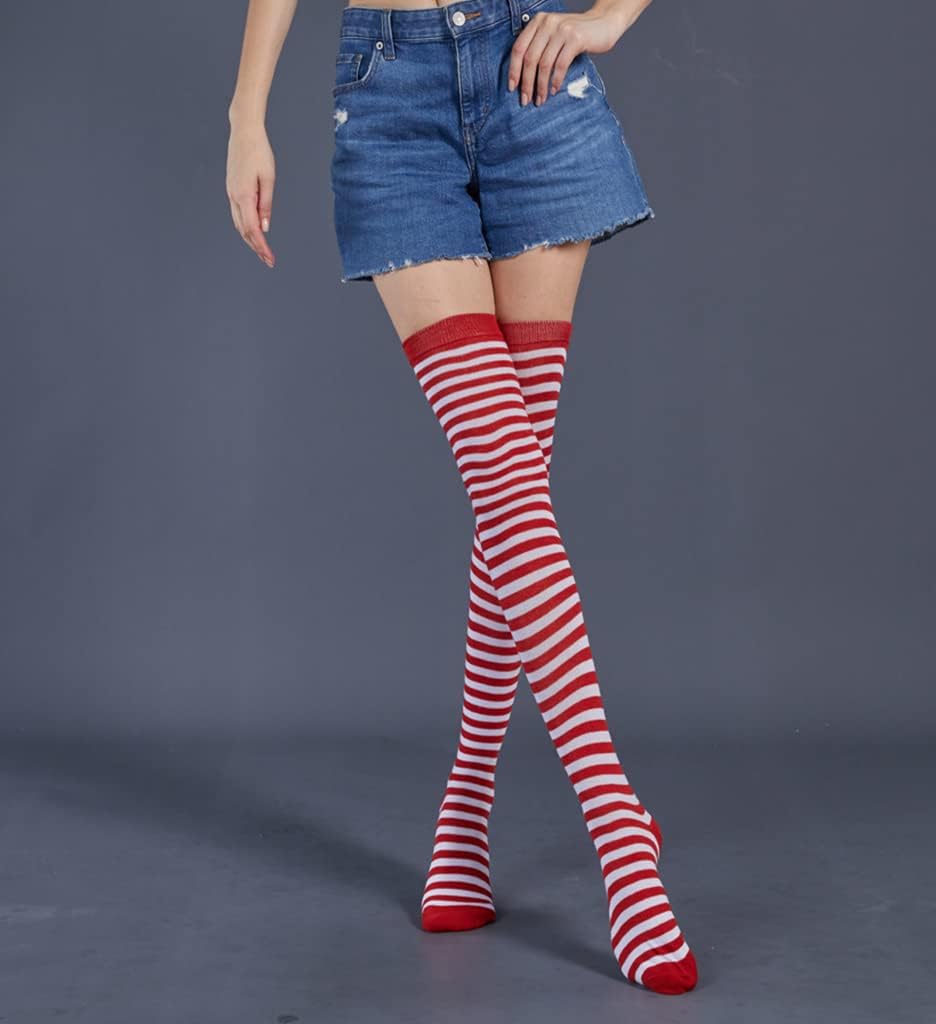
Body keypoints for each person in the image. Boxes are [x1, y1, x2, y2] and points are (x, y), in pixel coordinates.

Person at [226, 0, 697, 996]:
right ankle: (617, 825)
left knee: (512, 494)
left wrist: (608, 18)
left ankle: (467, 812)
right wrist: (246, 115)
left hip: (531, 80)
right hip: (389, 98)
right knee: (506, 480)